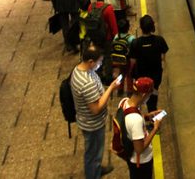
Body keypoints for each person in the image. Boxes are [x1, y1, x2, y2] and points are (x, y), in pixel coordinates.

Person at [70, 44, 119, 179]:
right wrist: (111, 88)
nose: (100, 64)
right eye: (99, 61)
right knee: (94, 152)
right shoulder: (87, 83)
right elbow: (96, 109)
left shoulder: (78, 69)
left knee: (93, 151)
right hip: (93, 124)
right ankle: (93, 174)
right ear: (91, 62)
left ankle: (95, 169)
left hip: (85, 119)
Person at [120, 77, 163, 179]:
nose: (149, 98)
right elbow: (139, 149)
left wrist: (148, 116)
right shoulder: (136, 119)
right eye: (149, 95)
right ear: (144, 95)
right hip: (141, 162)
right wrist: (155, 128)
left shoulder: (124, 102)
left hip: (131, 157)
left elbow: (129, 122)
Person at [127, 15, 168, 113]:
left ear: (141, 28)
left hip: (140, 76)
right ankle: (152, 116)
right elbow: (162, 57)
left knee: (139, 96)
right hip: (155, 76)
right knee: (153, 97)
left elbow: (132, 62)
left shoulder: (135, 43)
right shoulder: (159, 40)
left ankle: (138, 113)